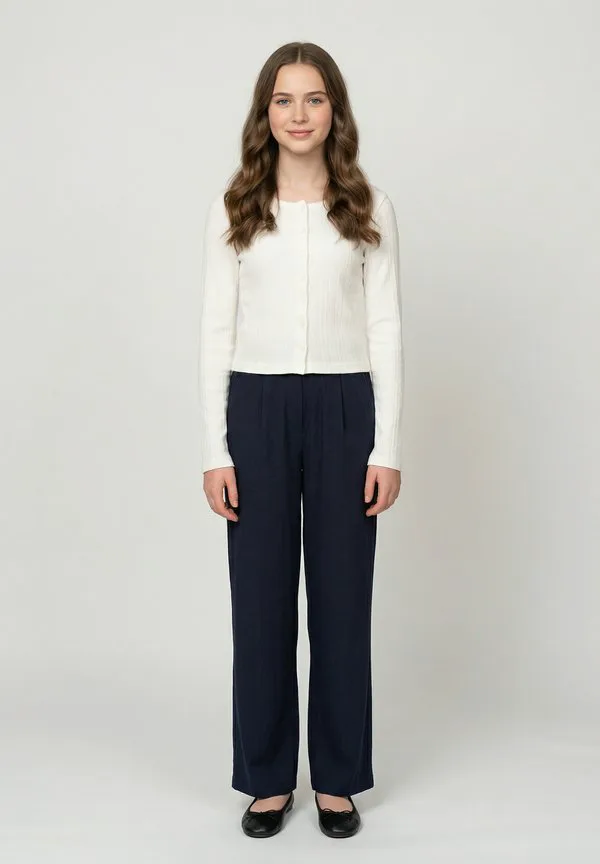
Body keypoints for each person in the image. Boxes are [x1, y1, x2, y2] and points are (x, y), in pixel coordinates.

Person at [198, 41, 404, 839]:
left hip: (346, 407)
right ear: (265, 112)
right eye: (283, 100)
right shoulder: (236, 207)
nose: (298, 114)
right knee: (260, 602)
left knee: (344, 600)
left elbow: (386, 329)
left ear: (334, 111)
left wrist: (387, 447)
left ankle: (340, 780)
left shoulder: (369, 207)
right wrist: (215, 451)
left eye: (314, 99)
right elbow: (215, 333)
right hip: (256, 406)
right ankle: (267, 779)